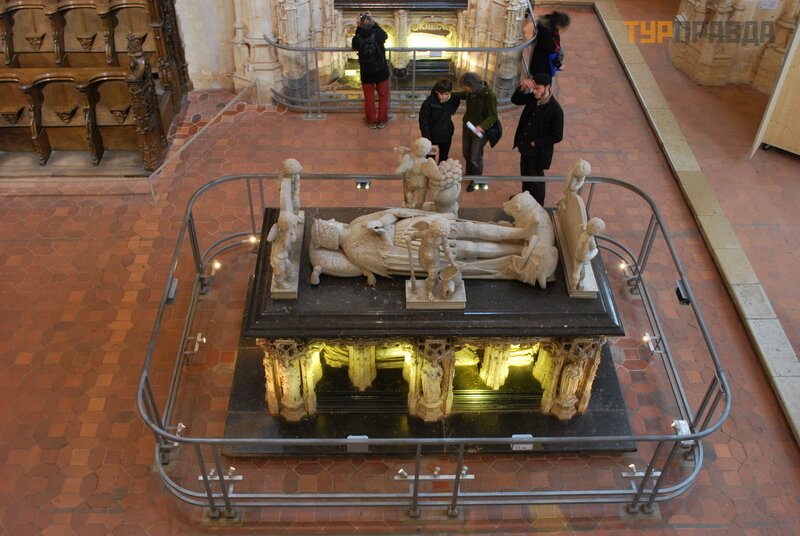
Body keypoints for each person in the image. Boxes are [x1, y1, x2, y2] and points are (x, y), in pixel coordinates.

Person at [511, 72, 563, 206]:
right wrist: (523, 87)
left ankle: (538, 206)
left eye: (537, 88)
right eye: (533, 88)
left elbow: (557, 136)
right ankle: (525, 200)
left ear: (548, 87)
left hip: (538, 152)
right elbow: (516, 100)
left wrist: (536, 143)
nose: (534, 91)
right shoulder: (533, 98)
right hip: (525, 147)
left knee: (536, 180)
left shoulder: (555, 110)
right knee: (525, 176)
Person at [453, 72, 497, 191]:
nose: (466, 90)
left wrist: (482, 126)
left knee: (475, 157)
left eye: (467, 88)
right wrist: (448, 94)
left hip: (479, 131)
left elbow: (493, 116)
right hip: (468, 127)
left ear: (474, 86)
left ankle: (476, 180)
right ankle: (469, 173)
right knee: (466, 153)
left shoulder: (489, 96)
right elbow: (460, 94)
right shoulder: (470, 92)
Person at [351, 12, 390, 129]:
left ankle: (371, 121)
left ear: (360, 25)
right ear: (372, 23)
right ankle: (382, 120)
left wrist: (359, 26)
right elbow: (385, 35)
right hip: (381, 71)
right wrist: (374, 23)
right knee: (383, 96)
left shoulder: (357, 38)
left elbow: (355, 45)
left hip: (366, 72)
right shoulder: (378, 35)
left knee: (369, 98)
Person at [418, 79, 461, 162]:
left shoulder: (454, 99)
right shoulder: (428, 104)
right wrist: (427, 139)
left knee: (443, 159)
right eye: (441, 94)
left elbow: (456, 102)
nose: (443, 96)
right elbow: (423, 122)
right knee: (430, 160)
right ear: (436, 91)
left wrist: (452, 111)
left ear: (449, 92)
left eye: (446, 94)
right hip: (432, 136)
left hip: (446, 134)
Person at [529, 11, 570, 78]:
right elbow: (550, 49)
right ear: (559, 24)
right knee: (541, 80)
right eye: (563, 27)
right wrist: (558, 65)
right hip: (541, 63)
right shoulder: (546, 30)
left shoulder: (552, 24)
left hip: (543, 59)